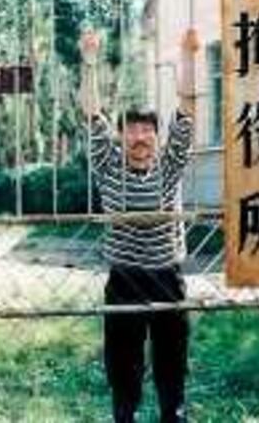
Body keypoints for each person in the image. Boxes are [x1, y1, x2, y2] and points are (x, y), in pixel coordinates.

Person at [78, 31, 198, 423]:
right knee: (122, 356)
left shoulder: (170, 163)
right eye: (131, 129)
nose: (140, 136)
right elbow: (90, 113)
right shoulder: (108, 164)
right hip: (124, 277)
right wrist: (90, 61)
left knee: (171, 354)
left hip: (166, 274)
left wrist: (186, 54)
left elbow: (188, 107)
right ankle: (124, 413)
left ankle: (173, 412)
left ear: (156, 135)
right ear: (121, 136)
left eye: (147, 128)